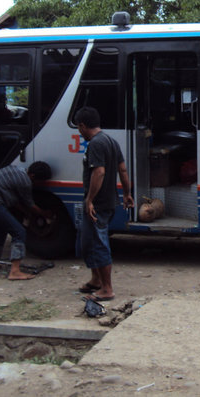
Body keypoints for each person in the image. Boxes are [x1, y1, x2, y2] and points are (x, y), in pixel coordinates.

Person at [74, 106, 134, 302]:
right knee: (88, 241)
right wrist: (126, 193)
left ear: (83, 126)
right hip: (108, 200)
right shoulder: (111, 141)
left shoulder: (96, 144)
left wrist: (89, 200)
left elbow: (98, 172)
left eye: (78, 128)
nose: (79, 132)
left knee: (98, 243)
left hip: (98, 203)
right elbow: (123, 170)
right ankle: (95, 280)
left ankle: (107, 289)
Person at [0, 161, 52, 280]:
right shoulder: (25, 182)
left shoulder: (16, 170)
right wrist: (44, 213)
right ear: (33, 176)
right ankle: (15, 271)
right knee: (19, 232)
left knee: (0, 231)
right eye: (37, 182)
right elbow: (30, 204)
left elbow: (14, 201)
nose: (35, 184)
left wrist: (27, 213)